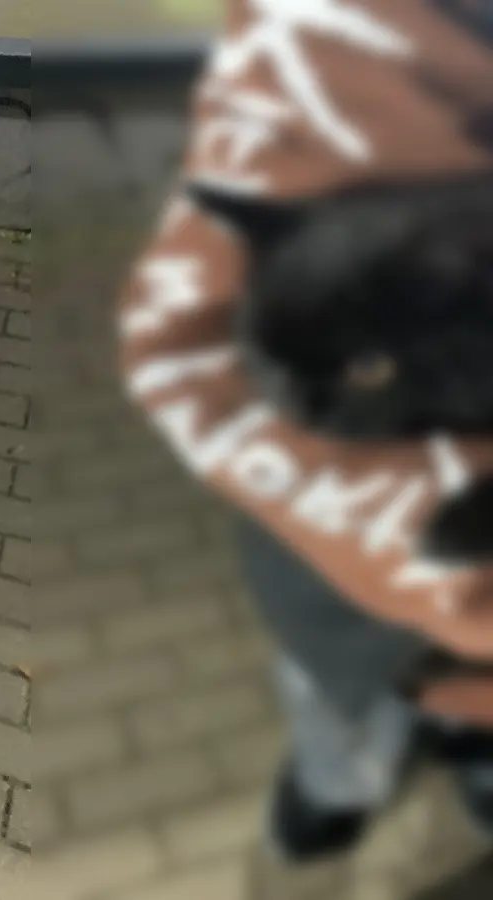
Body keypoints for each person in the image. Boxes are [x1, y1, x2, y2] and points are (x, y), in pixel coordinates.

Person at [118, 0, 493, 862]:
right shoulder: (303, 46)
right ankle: (343, 774)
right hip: (327, 516)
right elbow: (193, 317)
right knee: (324, 641)